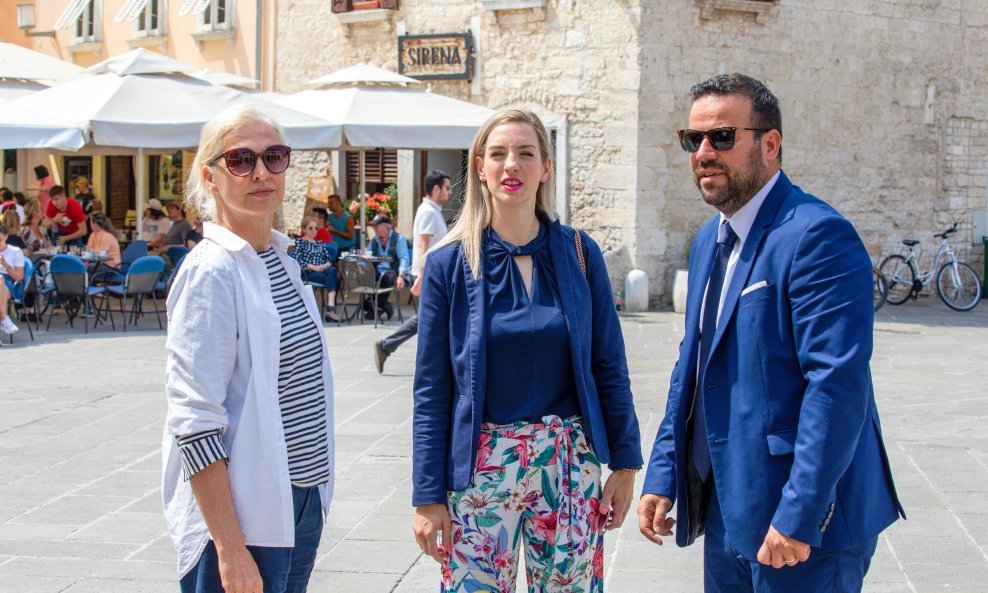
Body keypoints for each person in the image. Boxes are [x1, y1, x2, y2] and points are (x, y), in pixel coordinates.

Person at [637, 74, 905, 593]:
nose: (704, 153)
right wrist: (664, 474)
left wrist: (799, 514)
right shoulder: (706, 242)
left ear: (770, 143)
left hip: (802, 525)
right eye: (693, 140)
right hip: (728, 511)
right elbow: (690, 369)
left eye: (722, 137)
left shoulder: (816, 235)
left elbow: (836, 385)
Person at [412, 109, 642, 592]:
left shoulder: (580, 253)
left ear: (546, 167)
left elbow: (609, 365)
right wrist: (427, 496)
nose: (510, 165)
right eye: (497, 154)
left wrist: (624, 464)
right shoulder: (448, 266)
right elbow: (432, 389)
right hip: (478, 470)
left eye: (525, 153)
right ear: (479, 167)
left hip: (568, 465)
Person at [163, 105, 335, 593]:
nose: (260, 172)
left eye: (274, 156)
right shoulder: (210, 271)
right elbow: (194, 421)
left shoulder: (284, 256)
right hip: (244, 515)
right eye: (240, 160)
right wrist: (229, 547)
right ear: (210, 176)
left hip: (299, 501)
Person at [373, 169, 451, 373]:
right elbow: (423, 246)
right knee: (431, 317)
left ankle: (387, 346)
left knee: (431, 318)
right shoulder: (428, 212)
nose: (449, 192)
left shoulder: (432, 211)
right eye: (447, 188)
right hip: (430, 275)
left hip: (433, 274)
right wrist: (422, 276)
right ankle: (387, 346)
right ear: (436, 188)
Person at [290, 215, 340, 322]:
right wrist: (315, 267)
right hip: (308, 273)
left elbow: (329, 259)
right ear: (304, 229)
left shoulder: (319, 243)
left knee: (332, 271)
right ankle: (331, 309)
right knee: (335, 279)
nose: (314, 231)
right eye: (310, 228)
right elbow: (297, 260)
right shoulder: (300, 242)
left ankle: (330, 304)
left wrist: (324, 266)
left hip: (322, 271)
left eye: (316, 228)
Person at [365, 214, 409, 320]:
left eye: (377, 226)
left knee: (387, 277)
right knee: (362, 278)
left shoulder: (399, 239)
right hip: (377, 271)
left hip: (393, 272)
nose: (374, 228)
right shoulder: (374, 240)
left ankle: (378, 307)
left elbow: (404, 259)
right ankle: (384, 306)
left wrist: (401, 276)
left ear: (386, 226)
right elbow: (368, 256)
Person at [0, 223, 24, 335]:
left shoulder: (15, 251)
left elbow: (19, 277)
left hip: (8, 280)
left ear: (5, 236)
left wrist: (6, 265)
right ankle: (5, 319)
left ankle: (4, 319)